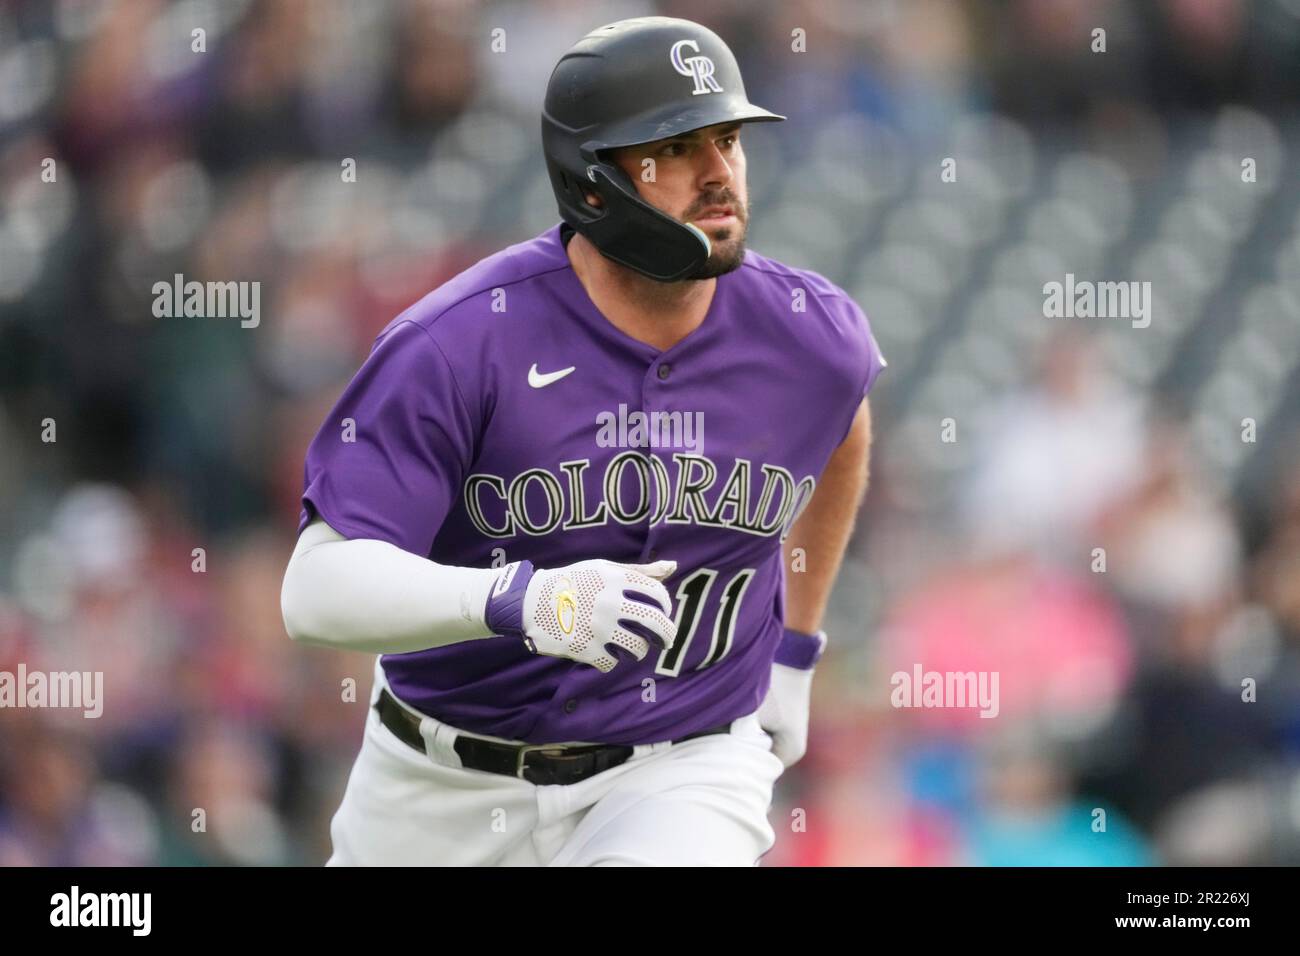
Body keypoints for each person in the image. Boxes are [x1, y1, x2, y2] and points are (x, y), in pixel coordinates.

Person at [280, 16, 885, 866]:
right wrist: (521, 603)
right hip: (439, 780)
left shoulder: (808, 334)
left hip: (683, 765)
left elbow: (846, 424)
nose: (719, 174)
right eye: (674, 149)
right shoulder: (459, 342)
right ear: (592, 183)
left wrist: (795, 647)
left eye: (728, 140)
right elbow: (315, 591)